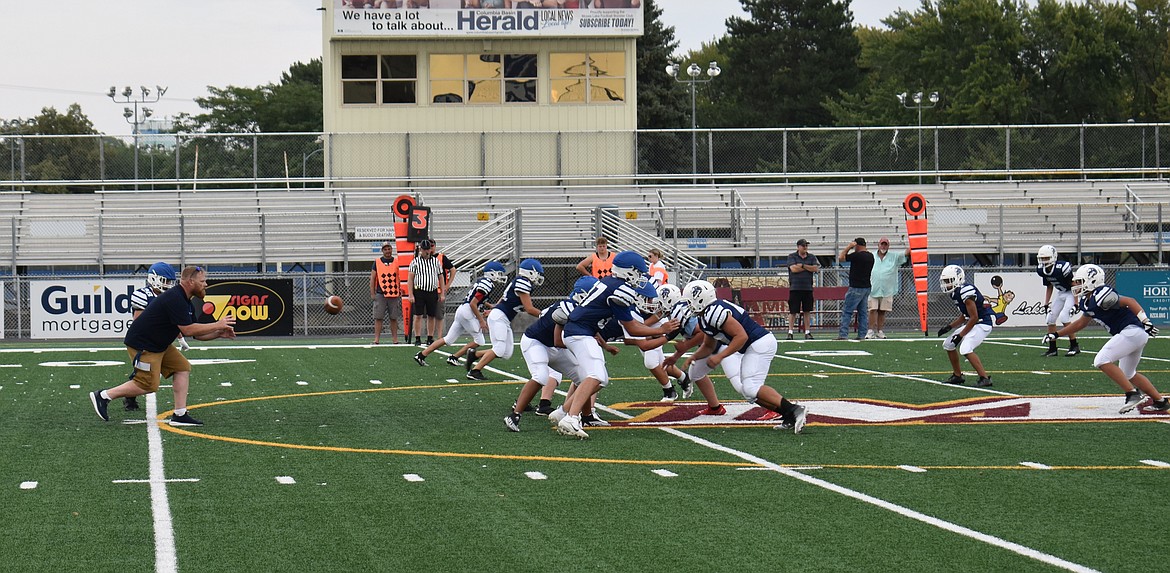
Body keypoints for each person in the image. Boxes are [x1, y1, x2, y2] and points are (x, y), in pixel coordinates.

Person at [549, 251, 679, 438]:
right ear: (630, 271)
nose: (642, 277)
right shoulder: (621, 289)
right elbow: (633, 329)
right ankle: (571, 418)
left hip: (582, 331)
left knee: (598, 377)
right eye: (640, 272)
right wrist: (662, 329)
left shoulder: (611, 282)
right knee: (596, 375)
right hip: (580, 332)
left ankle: (563, 412)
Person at [89, 266, 237, 426]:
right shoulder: (175, 298)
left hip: (159, 343)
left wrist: (218, 333)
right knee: (148, 384)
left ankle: (180, 414)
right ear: (190, 281)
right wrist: (217, 324)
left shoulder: (185, 300)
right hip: (144, 344)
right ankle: (103, 396)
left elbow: (195, 333)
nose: (206, 284)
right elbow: (188, 329)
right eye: (202, 281)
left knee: (182, 368)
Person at [682, 280, 808, 433]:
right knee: (749, 392)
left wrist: (720, 357)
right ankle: (788, 414)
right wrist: (694, 356)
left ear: (699, 299)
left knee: (750, 387)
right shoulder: (706, 316)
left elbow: (741, 336)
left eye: (690, 301)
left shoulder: (714, 312)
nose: (688, 305)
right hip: (753, 345)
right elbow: (708, 346)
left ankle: (795, 409)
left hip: (759, 343)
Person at [1044, 264, 1167, 413]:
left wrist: (1145, 321)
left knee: (1101, 360)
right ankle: (1160, 401)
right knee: (1128, 373)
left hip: (1131, 332)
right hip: (1134, 334)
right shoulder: (1086, 301)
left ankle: (1132, 394)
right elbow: (1081, 323)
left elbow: (1129, 301)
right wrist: (1056, 334)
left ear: (1092, 280)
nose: (1075, 284)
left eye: (1079, 281)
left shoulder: (1101, 294)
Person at [504, 276, 595, 432]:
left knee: (586, 378)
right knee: (541, 376)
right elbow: (559, 341)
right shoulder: (568, 308)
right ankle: (514, 415)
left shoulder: (574, 307)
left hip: (554, 346)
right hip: (536, 342)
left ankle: (587, 416)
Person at [414, 261, 506, 367]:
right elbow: (473, 303)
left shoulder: (483, 281)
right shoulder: (487, 284)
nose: (500, 276)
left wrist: (489, 307)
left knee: (448, 339)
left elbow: (477, 300)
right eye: (499, 273)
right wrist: (481, 320)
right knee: (480, 341)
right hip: (468, 312)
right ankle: (455, 357)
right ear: (492, 273)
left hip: (462, 310)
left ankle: (421, 355)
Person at [123, 262, 186, 412]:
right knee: (146, 376)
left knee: (172, 368)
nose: (169, 285)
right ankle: (125, 396)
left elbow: (173, 320)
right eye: (166, 281)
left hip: (160, 340)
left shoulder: (170, 297)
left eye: (171, 281)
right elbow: (139, 323)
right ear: (154, 279)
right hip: (145, 341)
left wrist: (180, 337)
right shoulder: (143, 295)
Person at [467, 258, 544, 381]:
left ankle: (474, 355)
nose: (539, 276)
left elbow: (503, 299)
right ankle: (475, 370)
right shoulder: (523, 282)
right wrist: (545, 315)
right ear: (531, 272)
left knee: (506, 353)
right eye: (538, 273)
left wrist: (494, 309)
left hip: (502, 317)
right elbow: (529, 309)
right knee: (499, 349)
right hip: (500, 317)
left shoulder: (520, 281)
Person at [936, 265, 995, 388]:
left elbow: (974, 317)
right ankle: (958, 376)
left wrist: (961, 335)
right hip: (974, 323)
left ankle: (984, 378)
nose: (947, 284)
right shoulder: (955, 293)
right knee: (948, 344)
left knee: (965, 348)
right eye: (945, 282)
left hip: (983, 323)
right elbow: (965, 315)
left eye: (949, 281)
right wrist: (949, 326)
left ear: (958, 279)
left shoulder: (965, 291)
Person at [1037, 245, 1081, 357]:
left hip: (1071, 293)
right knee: (1050, 319)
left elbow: (1074, 284)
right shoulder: (1042, 270)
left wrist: (1076, 303)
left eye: (1046, 258)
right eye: (1042, 258)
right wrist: (1046, 303)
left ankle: (1074, 345)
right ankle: (1052, 348)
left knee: (1064, 317)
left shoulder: (1062, 268)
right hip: (1061, 293)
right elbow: (1049, 286)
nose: (1044, 261)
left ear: (1053, 257)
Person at [406, 239, 448, 346]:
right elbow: (410, 279)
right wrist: (410, 294)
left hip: (432, 291)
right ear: (421, 249)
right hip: (419, 291)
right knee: (418, 315)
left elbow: (441, 277)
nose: (426, 252)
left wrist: (442, 293)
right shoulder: (415, 262)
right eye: (424, 249)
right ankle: (418, 337)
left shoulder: (435, 261)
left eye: (428, 249)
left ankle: (430, 337)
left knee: (431, 315)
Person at [866, 237, 909, 339]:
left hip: (887, 289)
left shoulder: (894, 256)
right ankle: (870, 330)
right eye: (882, 244)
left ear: (888, 246)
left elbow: (907, 252)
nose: (883, 246)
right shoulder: (871, 255)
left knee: (882, 311)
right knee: (872, 309)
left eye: (885, 244)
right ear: (878, 245)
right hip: (873, 288)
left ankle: (880, 331)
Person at [837, 238, 874, 340]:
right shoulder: (870, 256)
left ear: (857, 245)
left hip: (856, 287)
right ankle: (862, 334)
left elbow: (840, 258)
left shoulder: (857, 256)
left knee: (847, 311)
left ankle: (843, 334)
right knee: (863, 313)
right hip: (866, 287)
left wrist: (848, 247)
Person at [786, 239, 819, 340]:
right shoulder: (792, 256)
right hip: (795, 288)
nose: (805, 247)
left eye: (806, 246)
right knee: (793, 311)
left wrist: (803, 266)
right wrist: (807, 268)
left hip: (807, 287)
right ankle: (790, 332)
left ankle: (807, 331)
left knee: (807, 310)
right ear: (798, 246)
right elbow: (794, 269)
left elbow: (815, 268)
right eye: (803, 246)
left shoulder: (811, 257)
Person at [370, 241, 403, 345]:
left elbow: (400, 276)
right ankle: (376, 339)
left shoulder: (397, 261)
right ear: (382, 251)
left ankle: (395, 339)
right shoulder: (377, 262)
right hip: (381, 293)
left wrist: (401, 289)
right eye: (385, 249)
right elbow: (373, 278)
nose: (387, 251)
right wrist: (373, 293)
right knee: (378, 317)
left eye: (389, 249)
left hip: (394, 294)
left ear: (391, 249)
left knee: (393, 317)